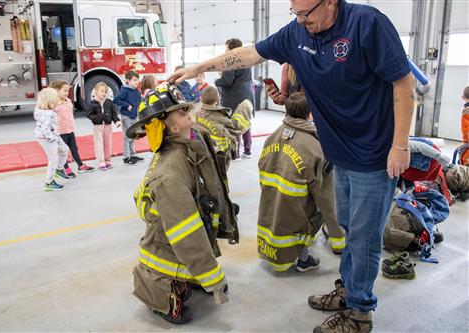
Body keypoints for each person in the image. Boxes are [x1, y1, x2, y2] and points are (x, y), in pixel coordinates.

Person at [169, 0, 415, 331]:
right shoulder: (299, 31)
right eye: (294, 14)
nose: (300, 21)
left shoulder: (367, 24)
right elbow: (249, 54)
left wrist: (400, 145)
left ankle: (359, 313)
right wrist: (201, 68)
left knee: (365, 238)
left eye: (305, 14)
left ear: (330, 3)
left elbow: (404, 85)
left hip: (374, 155)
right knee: (346, 228)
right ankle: (350, 291)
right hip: (339, 153)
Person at [125, 83, 238, 324]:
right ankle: (163, 296)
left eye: (186, 107)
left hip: (184, 229)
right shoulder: (170, 174)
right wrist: (213, 280)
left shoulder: (193, 141)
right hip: (166, 246)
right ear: (169, 127)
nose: (188, 112)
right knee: (183, 254)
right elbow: (186, 233)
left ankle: (193, 275)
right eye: (180, 111)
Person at [257, 92, 346, 273]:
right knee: (316, 210)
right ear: (310, 114)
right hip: (297, 211)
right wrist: (338, 238)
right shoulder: (315, 148)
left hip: (271, 204)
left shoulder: (273, 136)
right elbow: (326, 199)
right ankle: (303, 259)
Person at [195, 85, 253, 175]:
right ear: (218, 99)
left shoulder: (194, 114)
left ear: (200, 98)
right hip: (218, 161)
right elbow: (237, 127)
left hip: (197, 159)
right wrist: (245, 105)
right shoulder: (222, 118)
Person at [215, 38, 254, 159]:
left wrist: (218, 80)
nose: (225, 50)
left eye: (226, 48)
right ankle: (247, 151)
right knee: (245, 123)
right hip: (247, 96)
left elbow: (227, 81)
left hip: (234, 97)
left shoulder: (230, 61)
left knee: (234, 124)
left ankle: (235, 153)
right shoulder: (246, 60)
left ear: (231, 48)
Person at [50, 80, 95, 175]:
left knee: (74, 149)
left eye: (67, 91)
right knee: (63, 151)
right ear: (56, 91)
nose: (67, 93)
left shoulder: (69, 101)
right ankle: (65, 167)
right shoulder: (53, 104)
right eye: (64, 90)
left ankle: (80, 165)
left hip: (70, 130)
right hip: (60, 132)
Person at [34, 88, 70, 191]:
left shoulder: (45, 110)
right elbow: (45, 129)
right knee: (53, 159)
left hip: (53, 134)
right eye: (55, 99)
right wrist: (52, 138)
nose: (57, 100)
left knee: (64, 149)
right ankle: (49, 182)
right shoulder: (47, 114)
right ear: (50, 101)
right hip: (47, 138)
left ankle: (59, 169)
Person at [87, 82, 121, 171]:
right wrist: (96, 118)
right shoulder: (93, 103)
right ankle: (101, 162)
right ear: (96, 92)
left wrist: (117, 121)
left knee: (107, 144)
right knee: (99, 144)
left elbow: (114, 113)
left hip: (108, 126)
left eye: (105, 91)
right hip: (98, 127)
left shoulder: (109, 102)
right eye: (102, 91)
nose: (104, 93)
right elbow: (89, 114)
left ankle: (107, 160)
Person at [113, 70, 144, 166]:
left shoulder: (136, 91)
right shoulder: (124, 90)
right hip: (126, 117)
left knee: (133, 136)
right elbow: (116, 100)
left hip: (135, 116)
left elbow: (140, 99)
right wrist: (126, 105)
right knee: (127, 137)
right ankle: (126, 157)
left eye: (137, 80)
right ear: (128, 81)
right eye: (134, 80)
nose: (137, 82)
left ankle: (132, 154)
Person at [460, 86, 469, 166]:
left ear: (463, 97)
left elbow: (467, 129)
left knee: (465, 168)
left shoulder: (467, 111)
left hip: (468, 147)